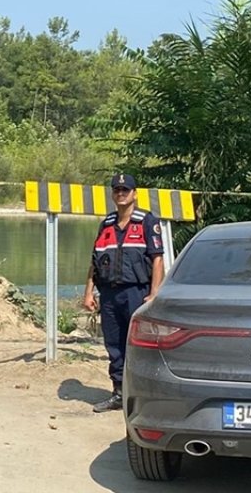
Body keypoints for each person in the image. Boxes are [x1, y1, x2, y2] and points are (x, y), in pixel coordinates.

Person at [81, 173, 164, 413]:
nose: (121, 194)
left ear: (135, 193)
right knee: (114, 344)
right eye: (117, 190)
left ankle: (142, 396)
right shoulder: (106, 224)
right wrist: (88, 292)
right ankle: (118, 393)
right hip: (109, 294)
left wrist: (154, 293)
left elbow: (157, 260)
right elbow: (94, 262)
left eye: (125, 190)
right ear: (112, 194)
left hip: (136, 293)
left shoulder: (147, 221)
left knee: (139, 345)